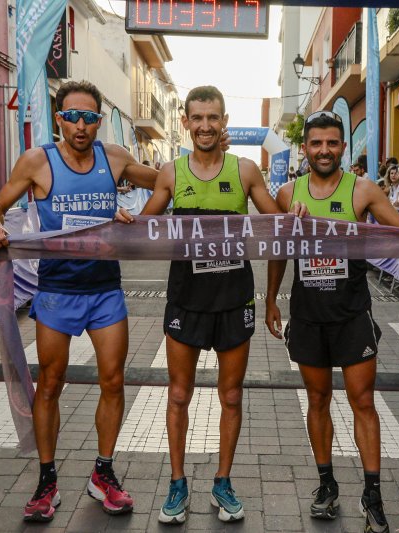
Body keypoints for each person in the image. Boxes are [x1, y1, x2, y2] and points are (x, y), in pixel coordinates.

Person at [116, 86, 305, 524]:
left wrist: (291, 213)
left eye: (212, 118)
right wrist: (128, 221)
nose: (205, 125)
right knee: (179, 394)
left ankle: (222, 482)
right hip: (186, 300)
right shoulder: (169, 172)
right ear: (185, 121)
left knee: (232, 396)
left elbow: (275, 222)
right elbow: (145, 228)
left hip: (234, 299)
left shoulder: (244, 172)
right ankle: (178, 485)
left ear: (224, 121)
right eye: (197, 118)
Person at [264, 110, 399, 533]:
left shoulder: (363, 189)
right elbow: (277, 248)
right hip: (309, 314)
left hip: (352, 313)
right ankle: (326, 485)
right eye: (316, 143)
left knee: (363, 401)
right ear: (306, 148)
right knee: (317, 401)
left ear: (342, 147)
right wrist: (270, 300)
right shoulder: (286, 193)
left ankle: (372, 494)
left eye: (332, 143)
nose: (324, 150)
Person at [0, 80, 158, 522]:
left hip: (105, 290)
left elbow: (169, 182)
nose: (81, 125)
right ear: (58, 117)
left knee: (114, 381)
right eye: (72, 116)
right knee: (51, 384)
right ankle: (46, 481)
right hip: (57, 292)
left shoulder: (114, 158)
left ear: (99, 120)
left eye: (90, 117)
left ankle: (103, 473)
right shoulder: (37, 161)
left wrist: (137, 216)